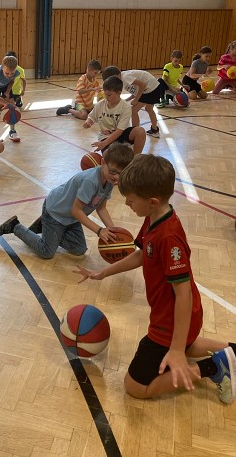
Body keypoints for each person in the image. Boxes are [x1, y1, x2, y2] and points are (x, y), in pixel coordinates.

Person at [75, 154, 236, 404]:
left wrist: (174, 350)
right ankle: (232, 351)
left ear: (152, 201)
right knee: (188, 346)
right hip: (176, 315)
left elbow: (182, 294)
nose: (127, 204)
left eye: (130, 200)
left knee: (135, 387)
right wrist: (103, 272)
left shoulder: (168, 237)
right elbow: (140, 255)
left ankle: (213, 368)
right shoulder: (155, 217)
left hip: (170, 321)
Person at [0, 142, 134, 260]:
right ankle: (15, 226)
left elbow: (101, 208)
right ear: (103, 162)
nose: (116, 177)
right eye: (113, 171)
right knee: (46, 252)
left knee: (79, 249)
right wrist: (99, 230)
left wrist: (113, 231)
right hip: (55, 211)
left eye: (121, 174)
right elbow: (76, 210)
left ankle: (46, 229)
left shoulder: (109, 181)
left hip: (70, 218)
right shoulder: (90, 181)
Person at [83, 76, 146, 154]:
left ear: (119, 93)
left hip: (122, 135)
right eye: (105, 94)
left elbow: (120, 131)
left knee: (140, 131)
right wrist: (88, 122)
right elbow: (91, 117)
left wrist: (103, 144)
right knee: (107, 154)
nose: (106, 97)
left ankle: (136, 159)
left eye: (109, 95)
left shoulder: (125, 107)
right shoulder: (100, 105)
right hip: (106, 137)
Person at [102, 66, 162, 138]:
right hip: (151, 88)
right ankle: (154, 130)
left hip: (152, 89)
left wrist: (136, 99)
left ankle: (136, 132)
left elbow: (143, 85)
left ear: (115, 76)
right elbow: (136, 90)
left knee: (134, 110)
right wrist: (127, 99)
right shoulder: (122, 79)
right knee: (149, 109)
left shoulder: (125, 77)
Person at [0, 53, 21, 141]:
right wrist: (5, 103)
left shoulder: (16, 72)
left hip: (6, 87)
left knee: (12, 106)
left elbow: (11, 81)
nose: (9, 75)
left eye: (11, 73)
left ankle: (12, 131)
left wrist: (8, 92)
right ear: (2, 68)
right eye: (7, 73)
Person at [8, 50, 26, 141]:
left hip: (16, 92)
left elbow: (24, 80)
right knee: (9, 106)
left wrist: (23, 90)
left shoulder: (20, 70)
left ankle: (12, 130)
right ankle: (12, 130)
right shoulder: (2, 70)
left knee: (16, 106)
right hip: (8, 92)